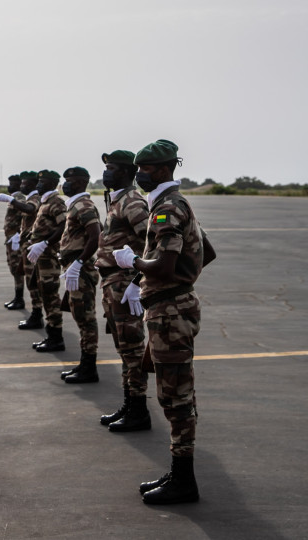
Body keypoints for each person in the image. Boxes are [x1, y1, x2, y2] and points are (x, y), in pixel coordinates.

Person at [113, 139, 216, 505]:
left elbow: (166, 264)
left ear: (162, 169)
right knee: (173, 393)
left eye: (144, 168)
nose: (139, 173)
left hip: (170, 313)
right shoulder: (173, 203)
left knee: (175, 397)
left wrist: (135, 265)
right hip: (171, 306)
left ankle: (184, 480)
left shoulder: (166, 209)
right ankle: (179, 473)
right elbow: (208, 251)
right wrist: (175, 283)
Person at [94, 150, 151, 431]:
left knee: (132, 350)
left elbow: (152, 242)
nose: (106, 172)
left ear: (128, 172)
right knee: (123, 348)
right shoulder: (117, 200)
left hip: (124, 283)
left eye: (113, 168)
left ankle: (139, 410)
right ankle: (130, 404)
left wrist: (137, 279)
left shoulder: (132, 202)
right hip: (111, 283)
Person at [57, 167, 102, 383]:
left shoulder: (83, 205)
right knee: (79, 316)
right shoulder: (74, 204)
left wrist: (79, 262)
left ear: (81, 182)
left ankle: (89, 367)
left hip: (81, 270)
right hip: (75, 267)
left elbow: (96, 236)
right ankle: (84, 364)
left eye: (70, 180)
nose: (66, 184)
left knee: (86, 318)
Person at [26, 170, 67, 352]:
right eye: (39, 181)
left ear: (53, 183)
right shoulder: (46, 201)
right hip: (41, 257)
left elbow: (63, 225)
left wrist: (45, 242)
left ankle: (56, 338)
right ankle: (52, 335)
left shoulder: (56, 202)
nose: (39, 185)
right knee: (42, 291)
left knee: (50, 296)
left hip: (49, 257)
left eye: (43, 182)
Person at [9, 171, 45, 329]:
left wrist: (10, 199)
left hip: (32, 247)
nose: (21, 185)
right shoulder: (30, 197)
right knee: (28, 279)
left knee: (33, 282)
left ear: (32, 184)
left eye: (24, 183)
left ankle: (37, 314)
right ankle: (35, 313)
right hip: (26, 245)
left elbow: (30, 210)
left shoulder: (34, 198)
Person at [0, 174, 28, 309]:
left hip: (16, 240)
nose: (10, 186)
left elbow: (25, 215)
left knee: (17, 269)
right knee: (14, 269)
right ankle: (17, 297)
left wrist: (18, 234)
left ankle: (19, 299)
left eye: (13, 183)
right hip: (11, 239)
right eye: (9, 183)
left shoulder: (18, 197)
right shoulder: (15, 197)